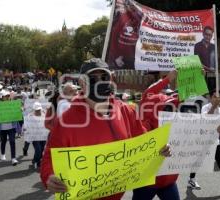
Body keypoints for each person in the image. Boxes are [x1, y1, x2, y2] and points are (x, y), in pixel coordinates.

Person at [40, 58, 171, 199]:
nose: (100, 82)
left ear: (111, 79)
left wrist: (160, 147)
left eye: (104, 77)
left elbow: (144, 140)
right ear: (82, 84)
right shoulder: (66, 121)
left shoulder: (127, 111)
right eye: (92, 78)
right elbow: (49, 157)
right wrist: (49, 176)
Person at [132, 70, 180, 200]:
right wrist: (167, 79)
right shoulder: (144, 123)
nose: (172, 109)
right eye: (167, 107)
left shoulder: (175, 118)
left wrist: (196, 79)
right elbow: (148, 95)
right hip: (147, 180)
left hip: (168, 180)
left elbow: (183, 98)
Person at [0, 90, 19, 166]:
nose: (6, 97)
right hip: (2, 128)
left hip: (11, 127)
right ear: (2, 97)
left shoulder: (12, 104)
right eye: (5, 96)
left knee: (12, 141)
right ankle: (3, 154)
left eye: (7, 96)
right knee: (3, 141)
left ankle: (13, 158)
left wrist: (19, 110)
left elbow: (17, 113)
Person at [23, 102, 48, 169]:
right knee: (38, 150)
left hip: (43, 137)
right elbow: (26, 126)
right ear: (34, 110)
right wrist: (25, 130)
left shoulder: (45, 115)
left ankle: (35, 160)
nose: (38, 111)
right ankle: (37, 161)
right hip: (35, 137)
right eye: (36, 110)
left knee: (42, 150)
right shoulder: (29, 117)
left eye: (39, 110)